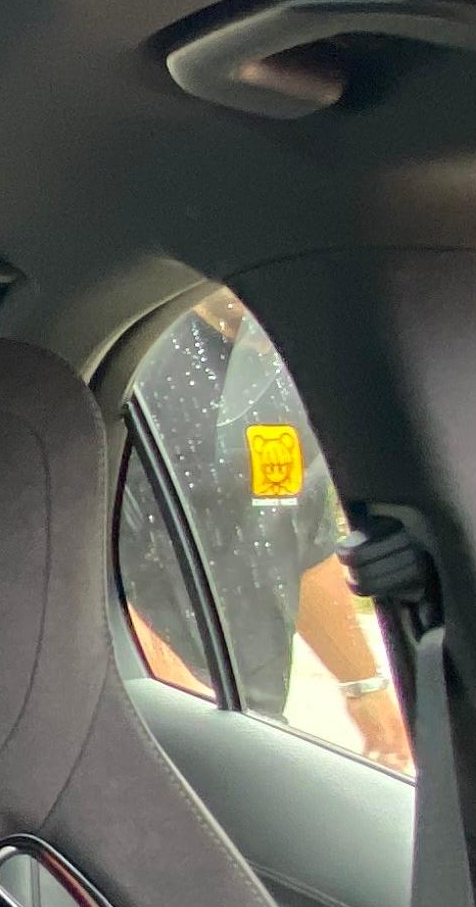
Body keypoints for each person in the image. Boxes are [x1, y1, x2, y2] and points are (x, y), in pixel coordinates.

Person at [119, 293, 415, 772]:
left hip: (247, 705)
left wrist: (363, 686)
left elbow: (299, 539)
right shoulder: (136, 361)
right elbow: (74, 532)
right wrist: (149, 676)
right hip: (145, 703)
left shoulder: (280, 375)